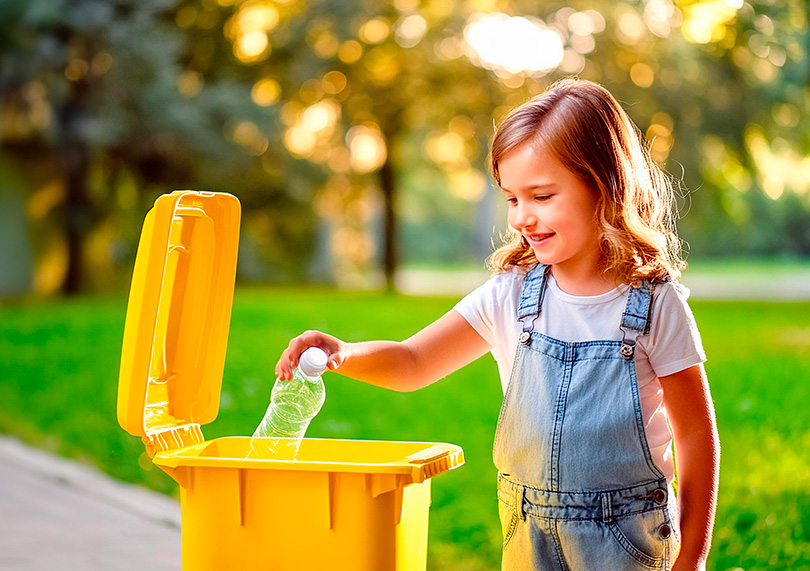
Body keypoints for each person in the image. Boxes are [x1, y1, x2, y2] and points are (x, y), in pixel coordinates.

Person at [275, 78, 720, 571]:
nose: (523, 217)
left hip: (628, 543)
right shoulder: (511, 295)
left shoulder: (655, 303)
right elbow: (413, 361)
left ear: (605, 186)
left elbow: (695, 435)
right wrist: (342, 351)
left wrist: (692, 558)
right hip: (528, 539)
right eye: (512, 199)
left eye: (543, 196)